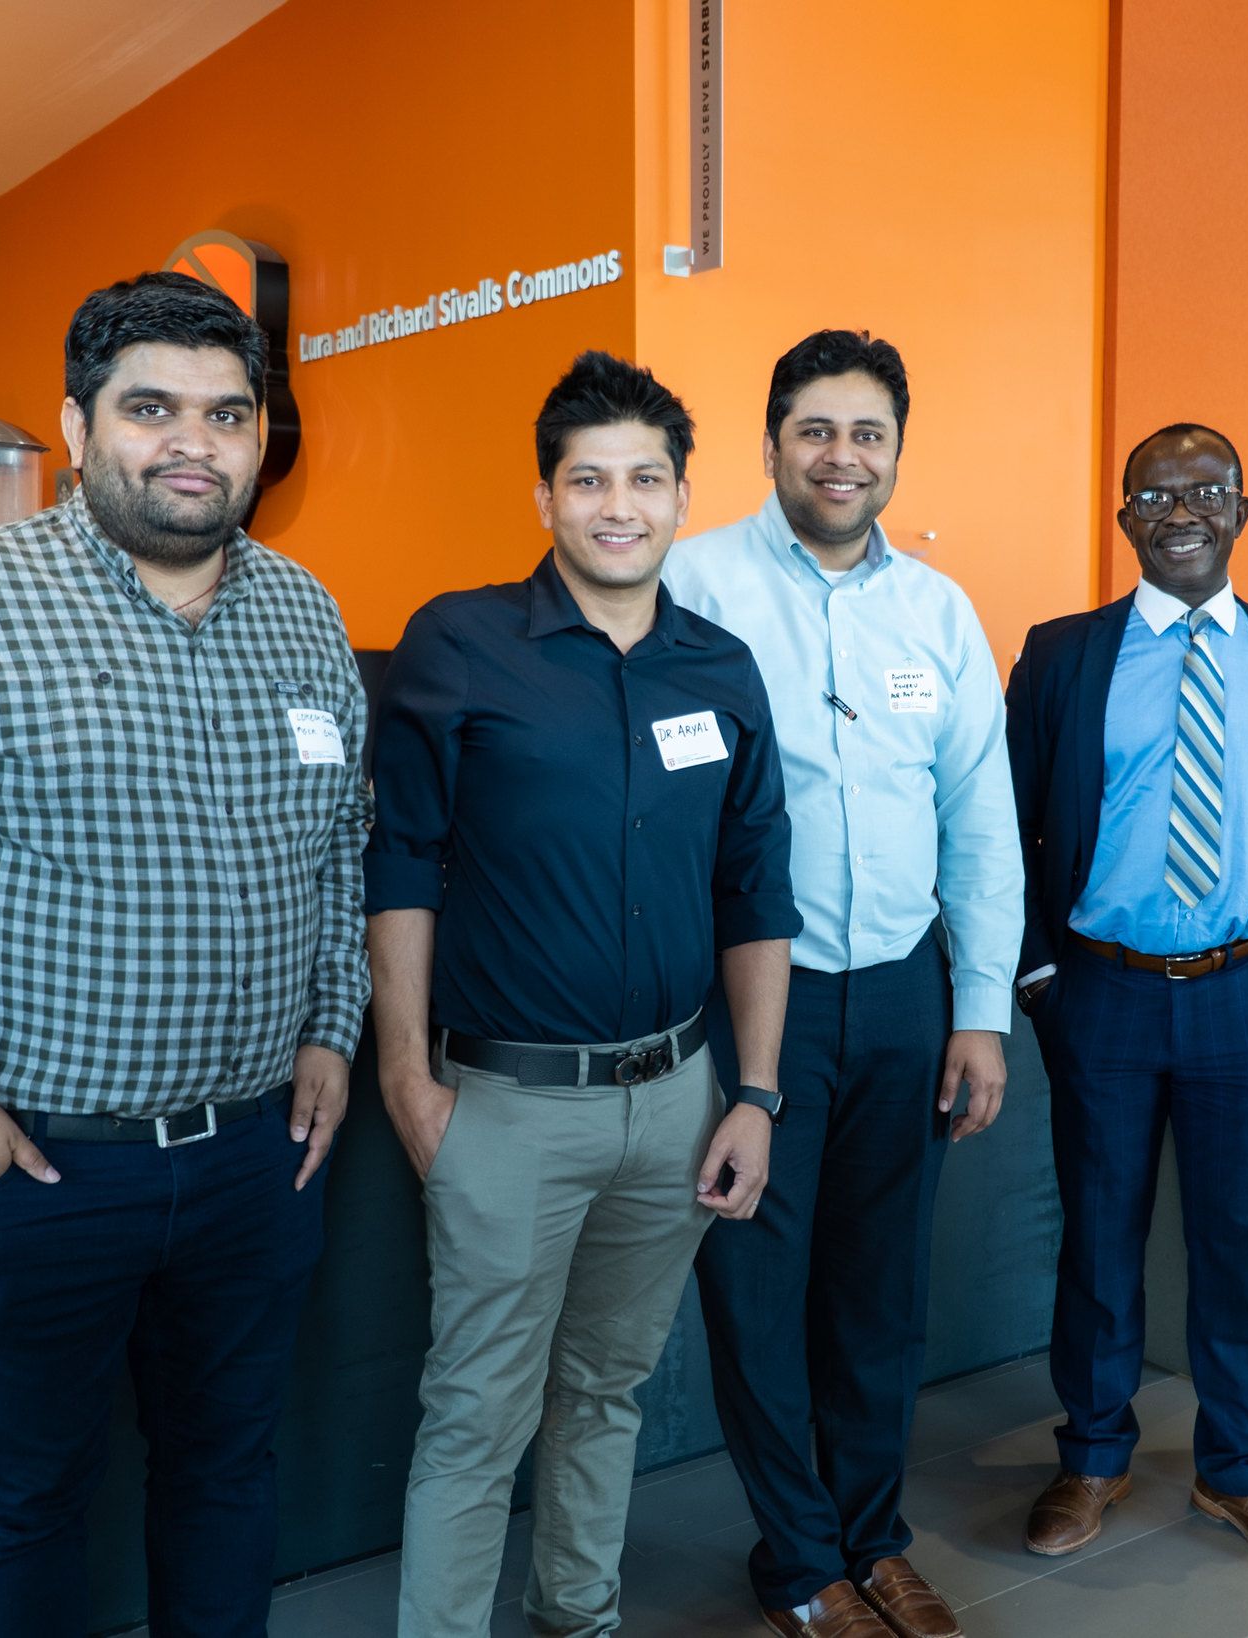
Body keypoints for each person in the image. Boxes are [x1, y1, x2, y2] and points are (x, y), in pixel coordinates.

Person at [0, 270, 369, 1637]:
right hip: (35, 1166)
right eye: (151, 407)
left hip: (250, 1165)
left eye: (228, 411)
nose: (193, 442)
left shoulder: (304, 613)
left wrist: (332, 1025)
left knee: (226, 1479)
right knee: (21, 1508)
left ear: (263, 434)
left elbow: (340, 851)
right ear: (78, 424)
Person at [367, 350, 800, 1638]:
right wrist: (405, 1074)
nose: (620, 505)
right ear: (544, 497)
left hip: (673, 1102)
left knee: (606, 1391)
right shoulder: (459, 644)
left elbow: (754, 890)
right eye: (589, 479)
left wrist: (755, 1094)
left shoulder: (718, 670)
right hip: (503, 1107)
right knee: (476, 1411)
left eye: (646, 479)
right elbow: (402, 864)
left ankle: (579, 1616)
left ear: (680, 496)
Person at [661, 329, 1023, 1638]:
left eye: (867, 433)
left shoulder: (936, 610)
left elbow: (982, 817)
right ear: (770, 444)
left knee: (879, 1285)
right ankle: (801, 1559)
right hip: (759, 999)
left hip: (907, 993)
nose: (842, 454)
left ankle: (873, 1536)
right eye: (816, 428)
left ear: (895, 454)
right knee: (758, 1283)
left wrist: (978, 1007)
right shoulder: (690, 587)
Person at [1004, 423, 1248, 1580]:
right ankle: (1091, 1454)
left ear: (1242, 509)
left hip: (1246, 996)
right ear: (1123, 521)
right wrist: (1040, 971)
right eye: (1155, 493)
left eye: (1206, 490)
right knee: (1097, 1237)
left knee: (1239, 1245)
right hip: (1098, 993)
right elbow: (1002, 829)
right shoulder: (1061, 656)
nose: (1182, 509)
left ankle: (1239, 1470)